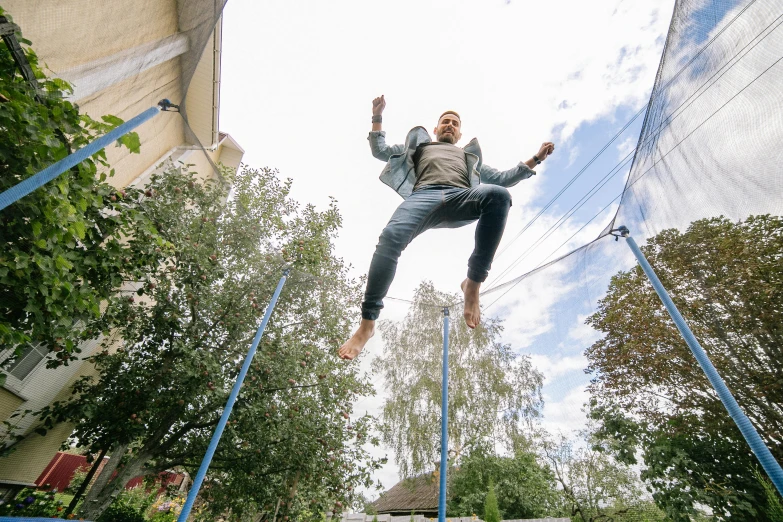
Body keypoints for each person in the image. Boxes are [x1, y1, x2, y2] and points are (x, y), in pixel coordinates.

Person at [338, 95, 554, 361]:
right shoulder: (418, 148)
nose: (450, 125)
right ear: (436, 129)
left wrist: (537, 158)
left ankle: (472, 282)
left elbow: (504, 178)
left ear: (460, 132)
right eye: (445, 122)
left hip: (461, 197)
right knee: (390, 238)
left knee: (498, 195)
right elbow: (379, 149)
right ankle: (367, 324)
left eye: (454, 123)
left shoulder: (468, 156)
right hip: (423, 197)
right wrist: (377, 115)